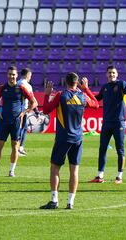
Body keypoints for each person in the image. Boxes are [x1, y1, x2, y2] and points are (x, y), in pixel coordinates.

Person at [39, 73, 99, 210]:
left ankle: (54, 201)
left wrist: (47, 94)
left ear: (65, 82)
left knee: (55, 168)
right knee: (74, 171)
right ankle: (70, 202)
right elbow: (96, 104)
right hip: (78, 138)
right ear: (77, 83)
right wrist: (86, 89)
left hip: (63, 137)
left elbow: (46, 110)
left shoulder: (61, 95)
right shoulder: (82, 96)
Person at [89, 66, 126, 184]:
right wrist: (85, 92)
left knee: (120, 150)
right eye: (109, 73)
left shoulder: (122, 84)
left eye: (113, 73)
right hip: (106, 123)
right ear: (106, 74)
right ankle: (100, 176)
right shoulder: (104, 87)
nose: (111, 75)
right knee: (102, 149)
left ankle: (119, 176)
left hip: (119, 123)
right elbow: (96, 99)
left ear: (117, 74)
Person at [0, 66, 37, 177]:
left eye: (13, 74)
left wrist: (24, 112)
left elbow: (34, 102)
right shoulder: (2, 88)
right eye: (9, 74)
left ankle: (12, 171)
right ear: (7, 75)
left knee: (15, 147)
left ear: (16, 75)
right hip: (4, 121)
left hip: (16, 122)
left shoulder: (22, 88)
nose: (11, 76)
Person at [17, 68, 40, 157]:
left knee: (23, 128)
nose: (30, 77)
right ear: (27, 75)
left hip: (17, 109)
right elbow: (32, 100)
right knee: (22, 128)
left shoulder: (17, 83)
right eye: (30, 75)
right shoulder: (27, 85)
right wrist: (36, 111)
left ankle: (20, 148)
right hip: (23, 110)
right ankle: (19, 149)